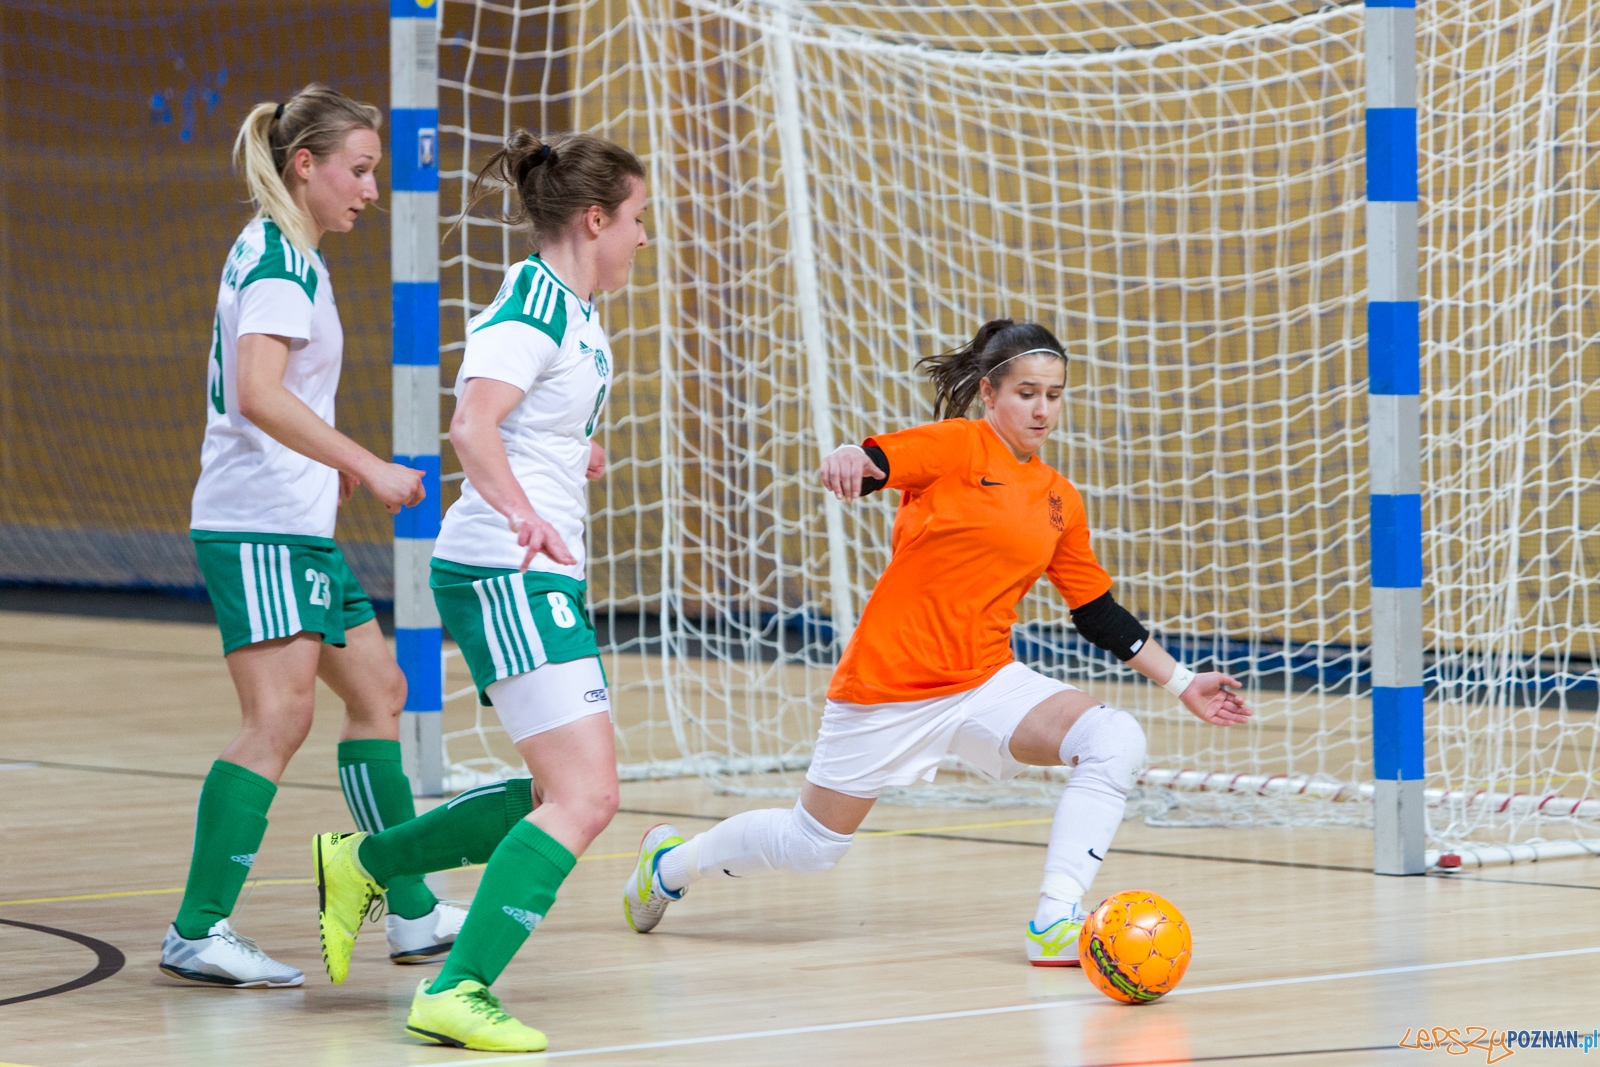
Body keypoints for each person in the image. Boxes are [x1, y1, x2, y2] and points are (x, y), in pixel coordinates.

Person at [617, 319, 1252, 967]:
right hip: (889, 684)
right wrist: (851, 457)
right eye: (1027, 393)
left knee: (1114, 737)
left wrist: (1183, 682)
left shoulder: (1059, 498)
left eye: (1054, 394)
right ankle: (668, 865)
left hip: (984, 682)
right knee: (813, 847)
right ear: (990, 393)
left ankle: (1054, 920)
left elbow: (1096, 613)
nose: (1042, 409)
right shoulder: (957, 445)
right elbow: (881, 461)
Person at [310, 129, 648, 1052]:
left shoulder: (574, 310)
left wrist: (571, 452)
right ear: (594, 219)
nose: (642, 238)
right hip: (508, 569)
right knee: (587, 796)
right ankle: (455, 989)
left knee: (556, 788)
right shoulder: (533, 305)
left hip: (531, 570)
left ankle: (367, 860)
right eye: (637, 219)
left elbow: (523, 421)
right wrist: (522, 509)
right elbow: (471, 425)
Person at [160, 84, 462, 989]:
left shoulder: (289, 255)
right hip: (256, 527)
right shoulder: (279, 265)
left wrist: (325, 462)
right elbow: (257, 392)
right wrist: (366, 461)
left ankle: (409, 908)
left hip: (295, 528)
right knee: (279, 717)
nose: (371, 189)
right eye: (359, 170)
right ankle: (197, 928)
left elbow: (279, 396)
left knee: (380, 690)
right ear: (305, 165)